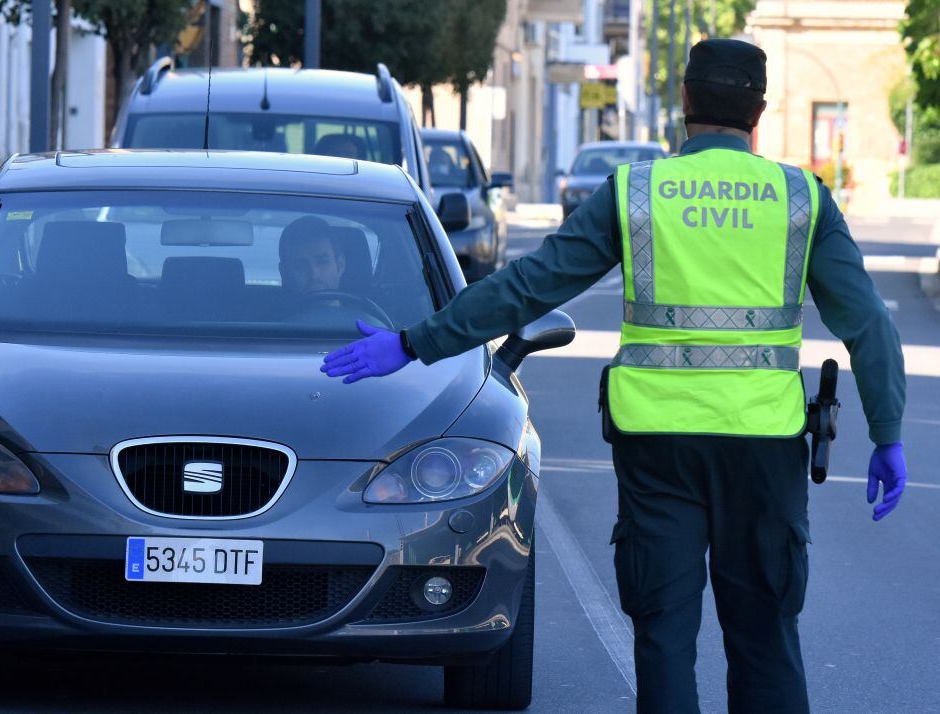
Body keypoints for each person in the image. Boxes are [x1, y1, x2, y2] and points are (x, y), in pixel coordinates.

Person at [319, 39, 908, 714]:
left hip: (656, 448)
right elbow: (870, 327)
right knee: (767, 636)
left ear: (684, 102)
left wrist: (413, 343)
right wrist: (888, 434)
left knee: (663, 636)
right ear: (760, 110)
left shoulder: (636, 192)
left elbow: (527, 287)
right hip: (765, 448)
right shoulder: (801, 200)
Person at [277, 215, 346, 297]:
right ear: (284, 274)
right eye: (301, 266)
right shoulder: (266, 310)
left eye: (322, 262)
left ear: (340, 265)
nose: (314, 275)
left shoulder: (364, 309)